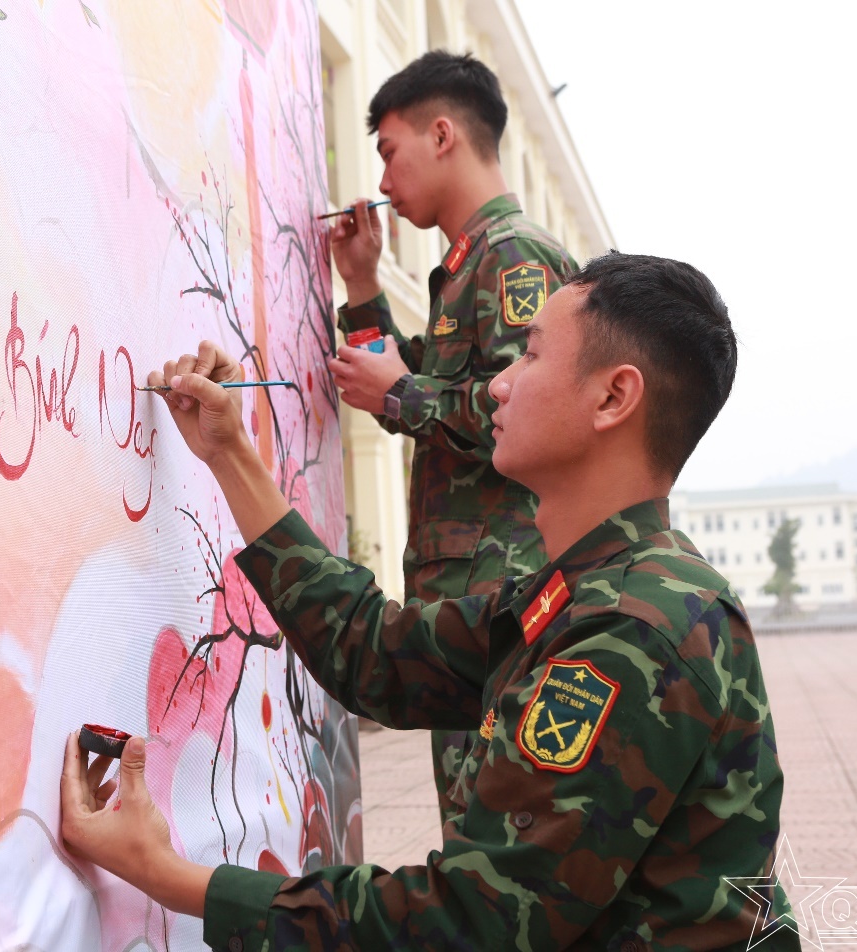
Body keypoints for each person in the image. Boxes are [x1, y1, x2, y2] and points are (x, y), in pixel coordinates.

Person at [60, 253, 797, 950]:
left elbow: (475, 921)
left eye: (530, 355)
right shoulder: (594, 590)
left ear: (613, 397)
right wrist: (227, 452)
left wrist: (167, 875)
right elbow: (375, 652)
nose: (499, 385)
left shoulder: (631, 628)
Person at [326, 50, 577, 823]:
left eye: (388, 151)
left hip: (504, 592)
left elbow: (529, 409)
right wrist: (362, 286)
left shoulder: (513, 256)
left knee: (497, 828)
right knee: (474, 821)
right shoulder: (468, 265)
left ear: (441, 135)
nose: (381, 181)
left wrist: (402, 392)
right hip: (468, 604)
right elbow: (414, 387)